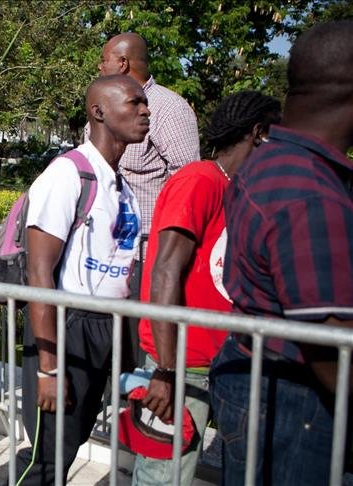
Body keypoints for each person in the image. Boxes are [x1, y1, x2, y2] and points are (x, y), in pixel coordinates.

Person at [211, 20, 353, 484]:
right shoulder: (309, 193)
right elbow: (328, 339)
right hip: (297, 400)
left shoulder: (271, 161)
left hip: (262, 381)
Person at [132, 91, 280, 485]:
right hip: (183, 363)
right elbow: (165, 271)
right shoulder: (200, 179)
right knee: (163, 476)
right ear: (259, 133)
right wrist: (165, 370)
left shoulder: (236, 187)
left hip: (223, 360)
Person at [19, 74, 147, 483]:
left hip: (102, 328)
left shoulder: (122, 187)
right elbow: (38, 271)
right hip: (65, 327)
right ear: (99, 112)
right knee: (47, 457)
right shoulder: (68, 174)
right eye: (134, 103)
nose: (145, 111)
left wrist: (126, 354)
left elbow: (124, 272)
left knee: (67, 449)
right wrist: (49, 369)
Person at [94, 31, 201, 371]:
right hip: (104, 255)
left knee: (140, 362)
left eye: (105, 60)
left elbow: (189, 183)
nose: (100, 66)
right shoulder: (102, 106)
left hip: (147, 258)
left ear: (122, 64)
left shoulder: (168, 110)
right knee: (109, 358)